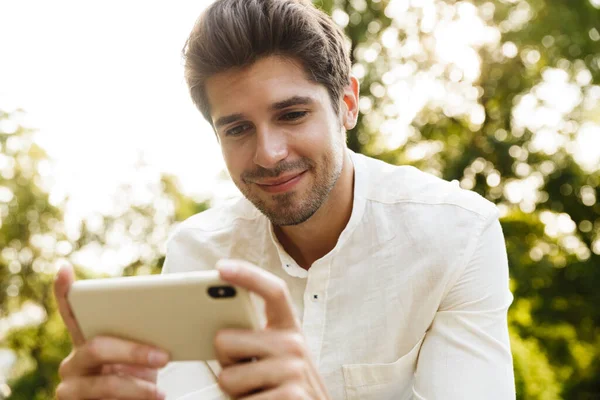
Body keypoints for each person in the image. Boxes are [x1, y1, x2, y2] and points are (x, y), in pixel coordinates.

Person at [54, 0, 516, 398]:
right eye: (237, 128)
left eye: (292, 114)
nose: (269, 154)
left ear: (347, 103)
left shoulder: (458, 236)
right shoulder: (196, 253)